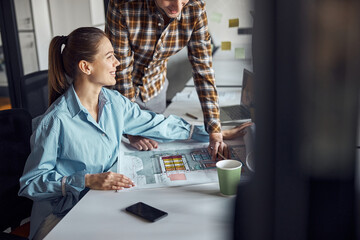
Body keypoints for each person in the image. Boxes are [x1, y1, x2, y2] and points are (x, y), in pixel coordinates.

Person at [18, 27, 251, 240]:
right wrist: (86, 180)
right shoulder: (55, 121)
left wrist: (213, 132)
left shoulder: (113, 102)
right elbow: (30, 184)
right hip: (61, 219)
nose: (117, 62)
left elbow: (157, 124)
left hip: (99, 203)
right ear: (86, 67)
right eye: (109, 56)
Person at [105, 0, 226, 158]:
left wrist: (215, 131)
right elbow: (121, 71)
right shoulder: (123, 6)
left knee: (156, 152)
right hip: (121, 96)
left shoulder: (196, 7)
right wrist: (131, 127)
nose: (178, 7)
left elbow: (203, 69)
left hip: (156, 90)